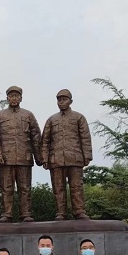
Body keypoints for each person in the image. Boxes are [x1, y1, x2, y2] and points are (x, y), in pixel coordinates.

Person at [0, 86, 42, 222]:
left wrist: (39, 157)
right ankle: (7, 213)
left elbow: (36, 137)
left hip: (24, 158)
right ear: (7, 98)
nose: (14, 98)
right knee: (6, 188)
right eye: (11, 96)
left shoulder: (28, 115)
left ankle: (26, 213)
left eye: (16, 96)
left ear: (21, 98)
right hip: (5, 159)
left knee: (25, 188)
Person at [40, 89, 92, 220]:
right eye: (59, 100)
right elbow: (45, 140)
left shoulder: (79, 117)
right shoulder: (52, 119)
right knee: (58, 188)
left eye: (64, 99)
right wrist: (44, 158)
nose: (61, 102)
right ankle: (61, 212)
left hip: (74, 158)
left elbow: (85, 138)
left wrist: (87, 155)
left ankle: (79, 211)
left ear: (71, 101)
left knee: (76, 187)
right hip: (56, 159)